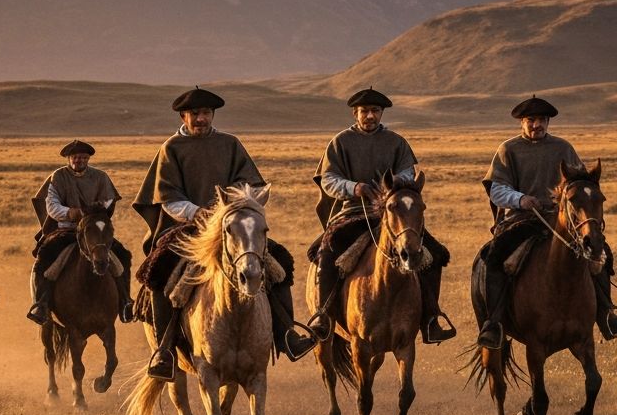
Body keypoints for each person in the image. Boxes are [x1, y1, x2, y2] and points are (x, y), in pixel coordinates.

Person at [132, 87, 316, 381]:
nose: (201, 119)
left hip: (231, 223)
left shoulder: (230, 144)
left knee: (278, 263)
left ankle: (286, 334)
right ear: (184, 116)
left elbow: (250, 187)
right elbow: (168, 199)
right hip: (188, 227)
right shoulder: (171, 148)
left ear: (212, 115)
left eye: (205, 113)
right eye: (195, 114)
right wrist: (199, 213)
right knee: (158, 270)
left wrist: (237, 207)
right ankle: (164, 351)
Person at [476, 95, 617, 348]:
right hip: (522, 219)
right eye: (531, 120)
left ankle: (606, 315)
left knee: (600, 252)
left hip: (561, 220)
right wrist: (521, 199)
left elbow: (581, 183)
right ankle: (494, 322)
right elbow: (497, 189)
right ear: (522, 123)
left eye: (541, 120)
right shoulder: (508, 149)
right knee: (492, 256)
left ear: (548, 122)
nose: (536, 124)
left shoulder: (563, 148)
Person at [306, 88, 455, 344]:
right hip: (353, 212)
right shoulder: (340, 142)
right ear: (356, 114)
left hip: (394, 213)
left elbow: (409, 173)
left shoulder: (396, 142)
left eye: (375, 111)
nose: (370, 116)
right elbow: (328, 180)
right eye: (365, 111)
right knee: (327, 250)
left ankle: (431, 317)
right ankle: (323, 316)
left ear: (381, 113)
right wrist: (355, 187)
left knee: (434, 254)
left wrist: (394, 184)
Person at [27, 139, 133, 325]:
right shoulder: (58, 177)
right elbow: (51, 205)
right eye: (75, 157)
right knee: (44, 257)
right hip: (65, 230)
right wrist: (70, 213)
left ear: (88, 159)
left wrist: (95, 211)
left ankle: (125, 302)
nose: (79, 160)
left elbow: (109, 201)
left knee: (122, 255)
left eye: (83, 157)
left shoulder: (100, 177)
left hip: (93, 231)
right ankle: (41, 304)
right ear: (69, 159)